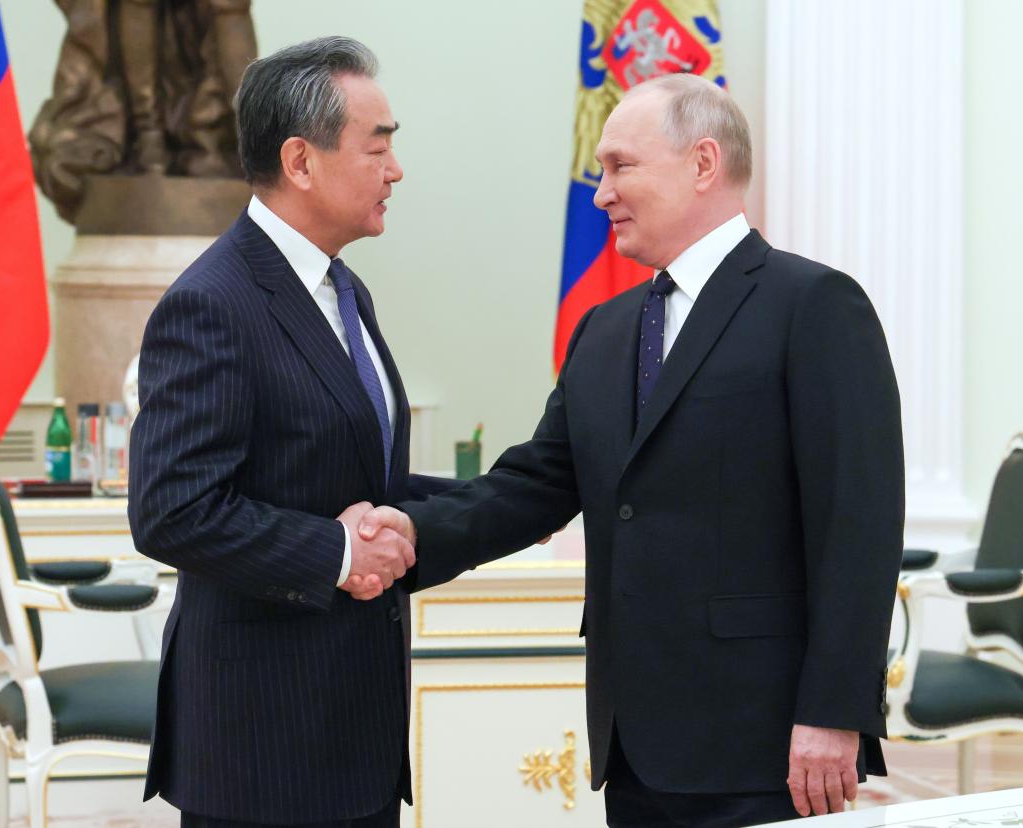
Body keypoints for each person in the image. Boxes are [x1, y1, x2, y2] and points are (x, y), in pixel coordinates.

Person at [360, 74, 905, 827]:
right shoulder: (606, 329)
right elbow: (536, 485)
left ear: (703, 163)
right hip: (634, 739)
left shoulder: (813, 307)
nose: (600, 193)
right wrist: (409, 533)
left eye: (620, 166)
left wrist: (835, 713)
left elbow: (860, 527)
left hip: (765, 737)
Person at [129, 36, 455, 827]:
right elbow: (173, 510)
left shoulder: (344, 291)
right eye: (378, 147)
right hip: (262, 745)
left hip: (354, 733)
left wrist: (527, 491)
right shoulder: (214, 302)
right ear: (301, 161)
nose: (396, 169)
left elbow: (357, 478)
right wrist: (339, 553)